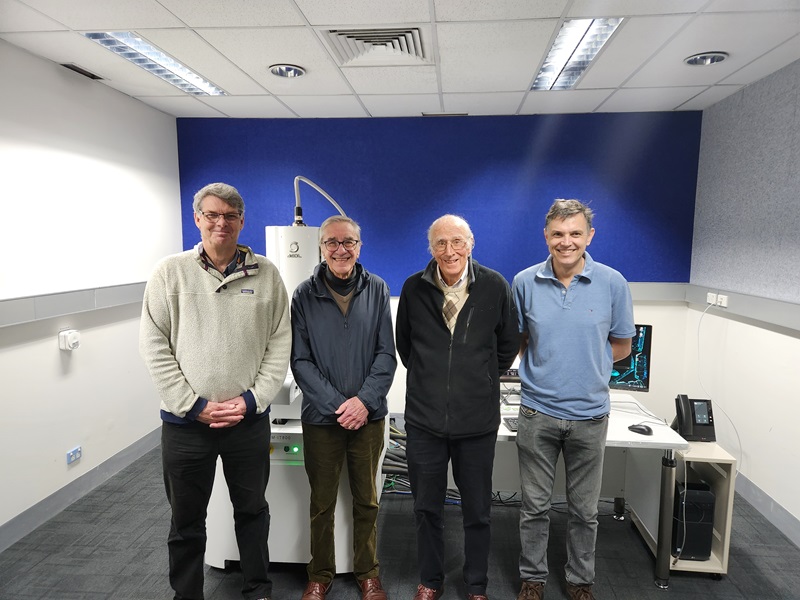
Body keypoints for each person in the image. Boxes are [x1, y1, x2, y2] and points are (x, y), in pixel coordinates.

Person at [139, 182, 291, 600]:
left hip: (247, 423)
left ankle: (257, 589)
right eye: (212, 215)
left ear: (242, 221)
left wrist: (251, 400)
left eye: (229, 215)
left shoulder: (267, 275)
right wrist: (194, 406)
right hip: (186, 426)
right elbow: (153, 345)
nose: (220, 223)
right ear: (197, 219)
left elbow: (280, 342)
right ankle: (187, 594)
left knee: (253, 512)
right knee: (186, 520)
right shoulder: (170, 273)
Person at [512, 199, 635, 600]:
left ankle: (580, 581)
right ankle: (533, 579)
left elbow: (620, 347)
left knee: (585, 512)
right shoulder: (524, 282)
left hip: (590, 416)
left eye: (575, 233)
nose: (567, 242)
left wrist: (585, 366)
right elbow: (521, 341)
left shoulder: (613, 282)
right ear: (546, 237)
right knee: (534, 507)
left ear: (589, 236)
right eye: (558, 234)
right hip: (537, 413)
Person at [396, 214, 519, 600]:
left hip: (476, 422)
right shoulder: (414, 289)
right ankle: (430, 580)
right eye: (440, 243)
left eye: (456, 242)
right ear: (430, 248)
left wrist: (479, 378)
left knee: (478, 512)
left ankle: (477, 583)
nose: (448, 251)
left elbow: (507, 345)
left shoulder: (495, 286)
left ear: (471, 244)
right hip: (424, 422)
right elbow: (405, 348)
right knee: (426, 509)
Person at [290, 216, 397, 600]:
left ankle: (368, 572)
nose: (341, 249)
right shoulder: (304, 295)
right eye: (332, 242)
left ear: (360, 246)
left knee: (367, 499)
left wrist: (364, 403)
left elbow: (387, 354)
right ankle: (319, 575)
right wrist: (339, 406)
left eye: (349, 242)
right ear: (321, 247)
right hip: (322, 419)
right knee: (322, 502)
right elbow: (300, 361)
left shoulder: (378, 288)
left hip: (369, 418)